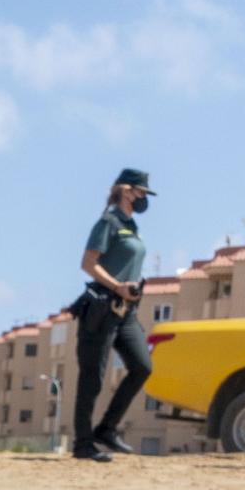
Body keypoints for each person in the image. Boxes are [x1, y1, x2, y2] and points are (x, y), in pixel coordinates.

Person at [71, 168, 157, 461]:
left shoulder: (131, 226)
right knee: (92, 378)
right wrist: (118, 286)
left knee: (142, 366)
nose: (144, 198)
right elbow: (88, 263)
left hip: (126, 312)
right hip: (102, 308)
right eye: (141, 192)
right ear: (126, 190)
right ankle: (83, 444)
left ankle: (106, 429)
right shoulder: (108, 222)